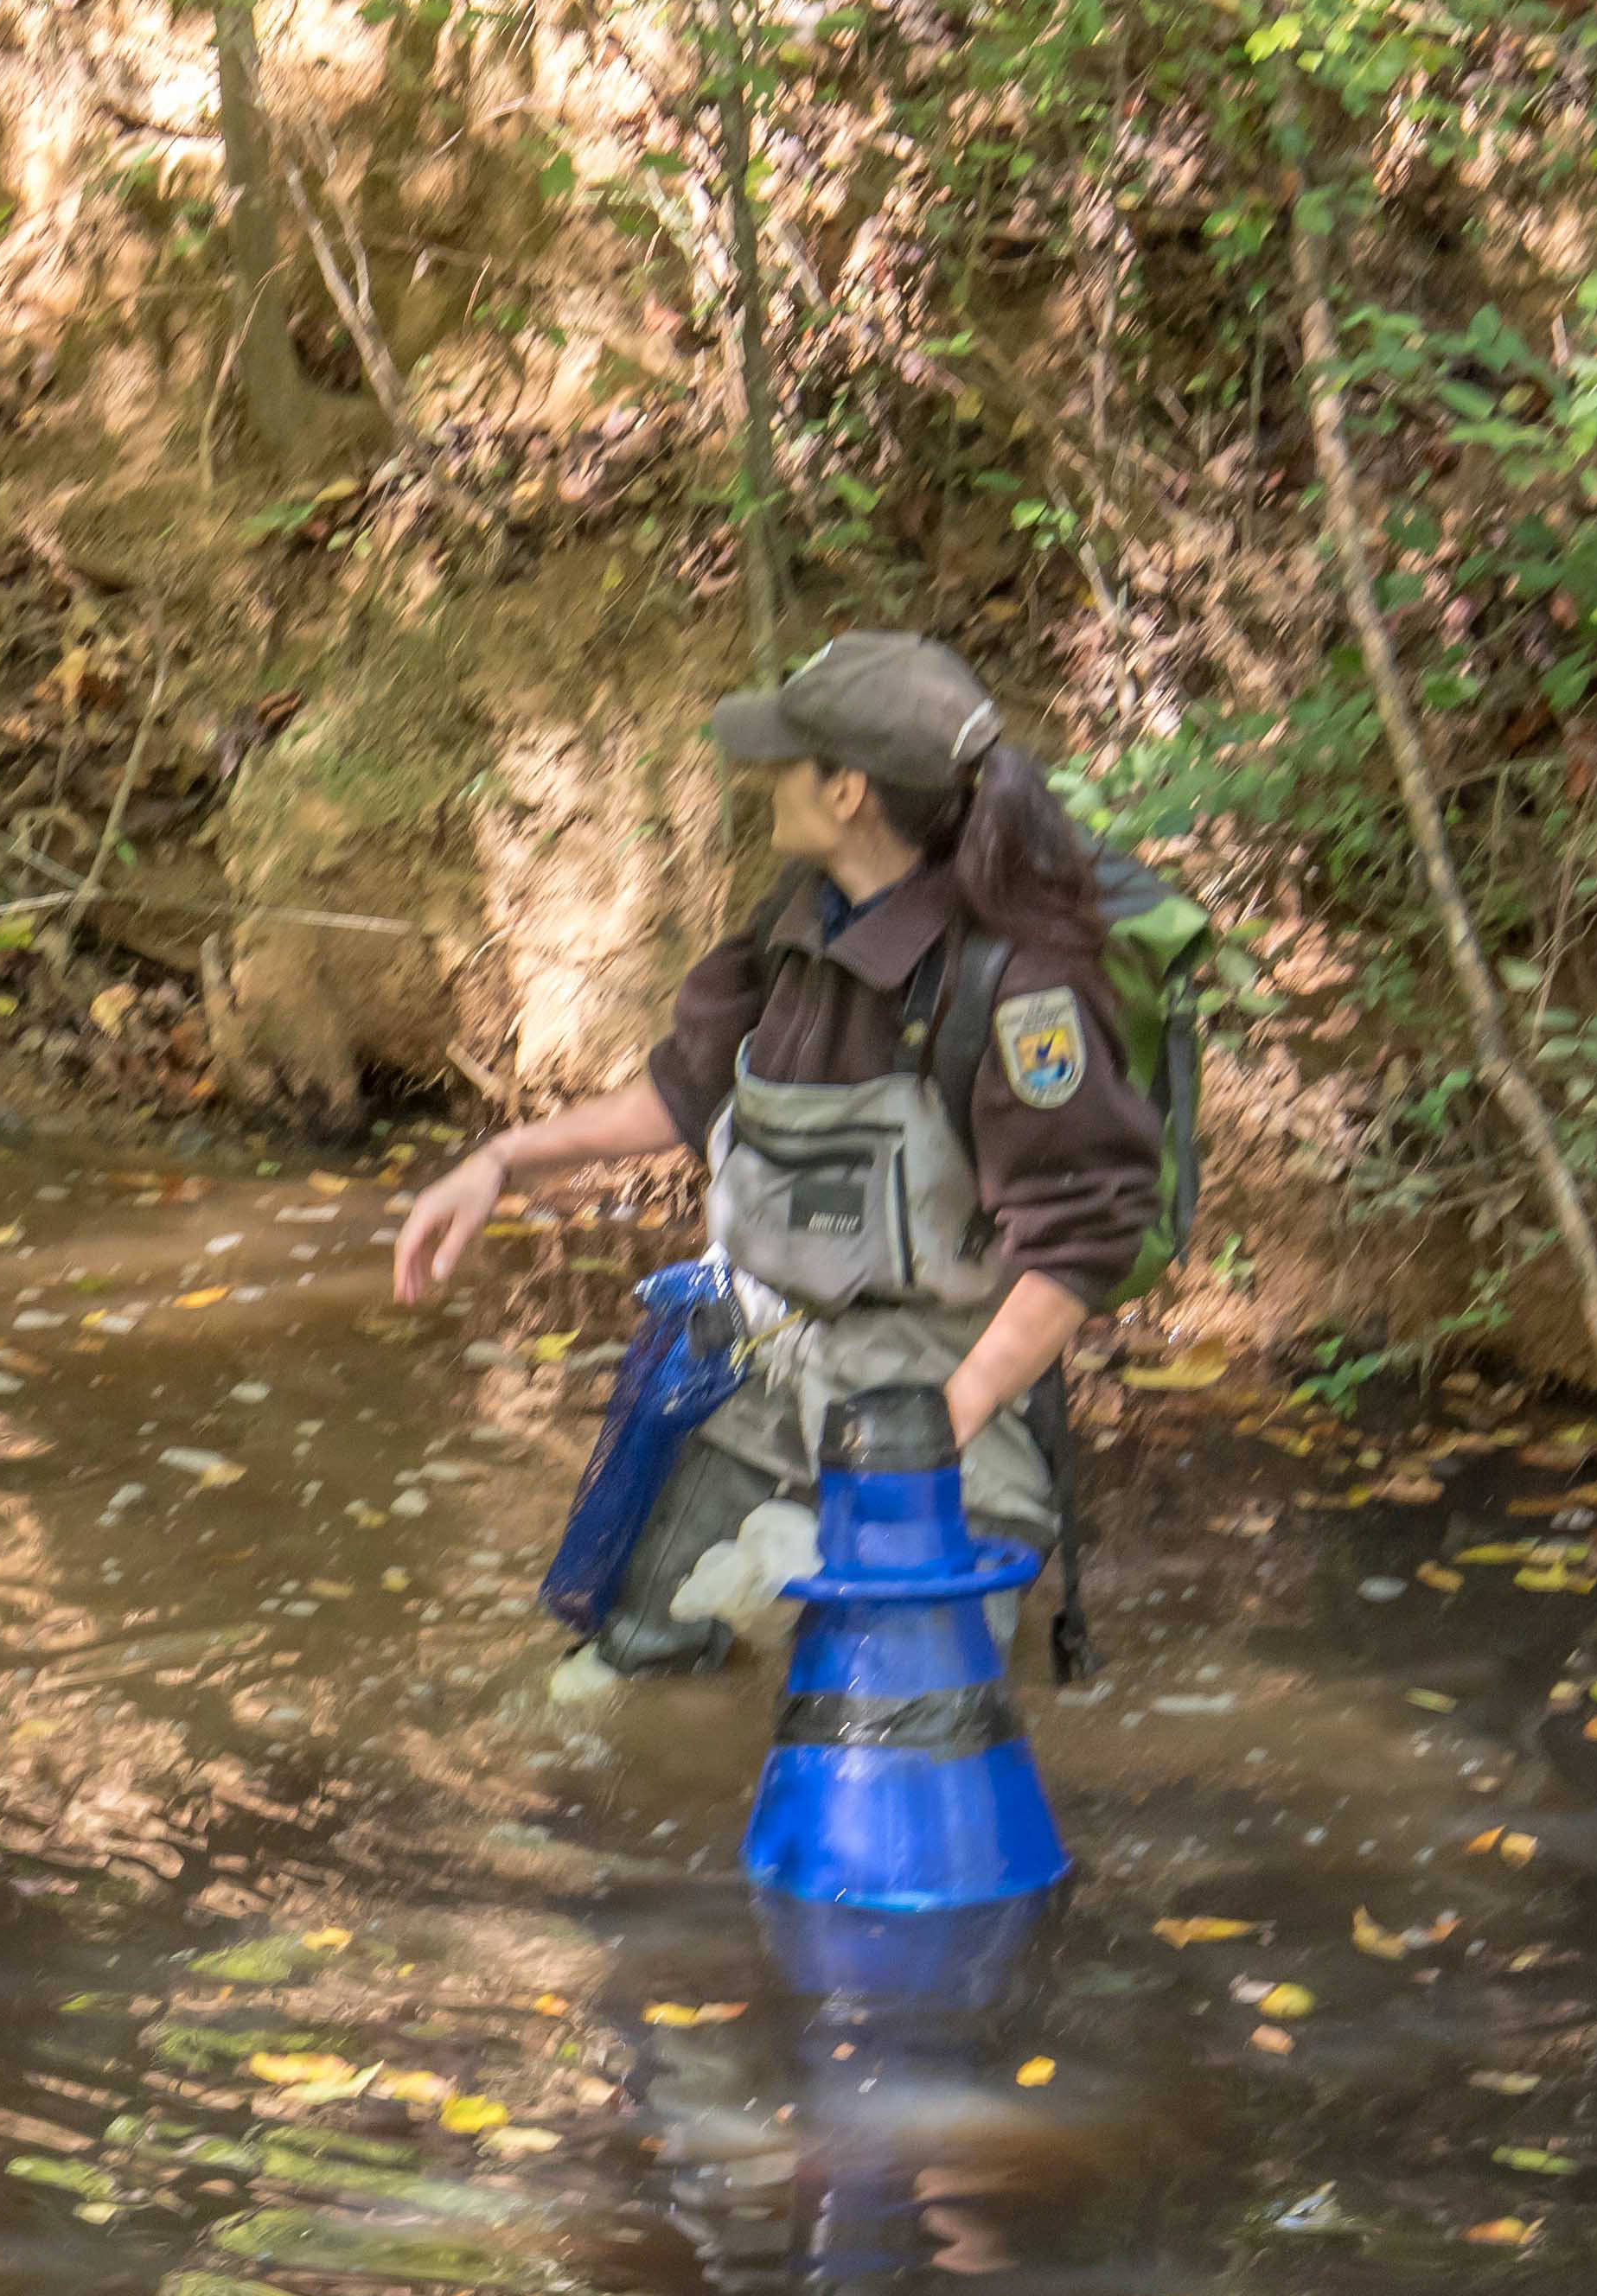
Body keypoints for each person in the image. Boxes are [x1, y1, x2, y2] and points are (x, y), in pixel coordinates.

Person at [391, 629, 1167, 1672]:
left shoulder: (1020, 987)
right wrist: (499, 1163)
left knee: (894, 1722)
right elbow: (683, 1090)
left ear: (847, 791)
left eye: (785, 758)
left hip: (938, 1406)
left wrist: (933, 1436)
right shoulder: (795, 920)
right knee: (628, 1669)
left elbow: (1079, 1244)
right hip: (761, 1376)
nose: (760, 774)